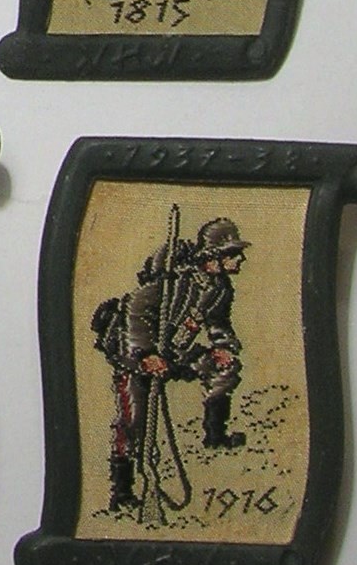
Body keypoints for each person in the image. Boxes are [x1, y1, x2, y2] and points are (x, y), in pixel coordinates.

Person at [93, 217, 250, 512]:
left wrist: (223, 348)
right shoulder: (174, 282)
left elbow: (219, 323)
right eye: (234, 253)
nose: (241, 259)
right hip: (135, 358)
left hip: (174, 355)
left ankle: (215, 435)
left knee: (223, 368)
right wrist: (145, 355)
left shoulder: (219, 289)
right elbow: (135, 310)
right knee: (133, 420)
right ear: (215, 256)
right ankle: (122, 491)